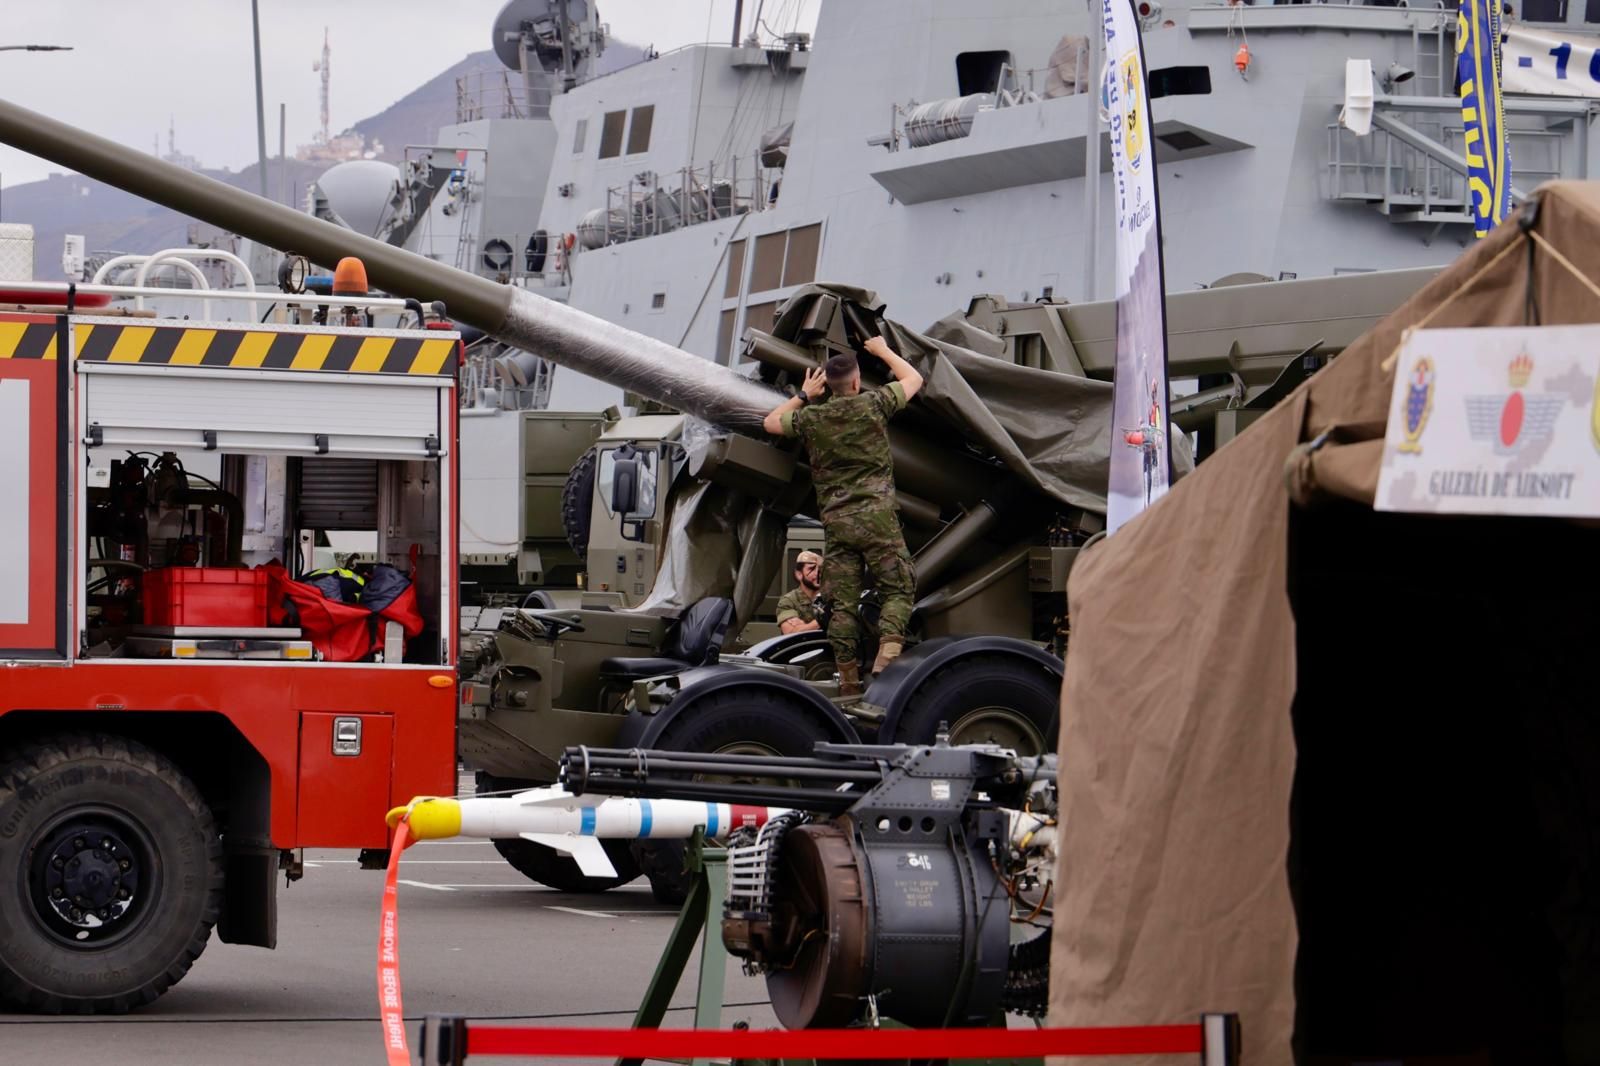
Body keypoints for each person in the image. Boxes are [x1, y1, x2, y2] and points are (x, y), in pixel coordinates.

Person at [762, 335, 924, 696]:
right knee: (899, 587)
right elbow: (914, 379)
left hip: (837, 525)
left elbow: (771, 422)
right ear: (855, 382)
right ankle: (888, 652)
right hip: (878, 519)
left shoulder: (811, 418)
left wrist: (805, 395)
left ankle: (848, 680)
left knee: (841, 606)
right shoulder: (874, 403)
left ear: (829, 385)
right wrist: (882, 350)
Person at [774, 550, 824, 633]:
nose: (817, 573)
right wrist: (821, 621)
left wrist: (804, 627)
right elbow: (791, 632)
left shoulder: (830, 598)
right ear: (799, 574)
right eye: (811, 569)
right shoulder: (789, 601)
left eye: (820, 569)